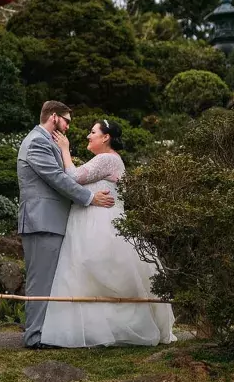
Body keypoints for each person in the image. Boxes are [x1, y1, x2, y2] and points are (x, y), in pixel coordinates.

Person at [40, 119, 177, 347]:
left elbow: (73, 177)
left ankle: (115, 329)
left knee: (98, 271)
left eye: (92, 132)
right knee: (87, 275)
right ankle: (98, 330)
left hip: (100, 224)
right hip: (89, 223)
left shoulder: (107, 159)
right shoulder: (103, 160)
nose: (88, 136)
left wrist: (65, 150)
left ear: (106, 137)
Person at [17, 101, 115, 349]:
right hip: (42, 220)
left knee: (47, 279)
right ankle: (35, 337)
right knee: (40, 281)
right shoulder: (37, 142)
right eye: (67, 121)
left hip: (49, 220)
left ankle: (41, 332)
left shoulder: (46, 141)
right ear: (53, 117)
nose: (69, 126)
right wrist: (90, 198)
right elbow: (57, 178)